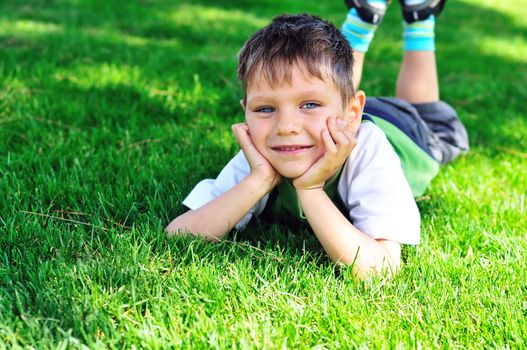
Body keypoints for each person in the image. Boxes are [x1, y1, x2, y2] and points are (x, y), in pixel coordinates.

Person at [166, 1, 468, 279]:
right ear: (246, 113)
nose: (285, 127)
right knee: (330, 88)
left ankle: (420, 16)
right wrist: (257, 181)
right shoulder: (261, 152)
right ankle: (364, 17)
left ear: (353, 113)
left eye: (308, 105)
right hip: (336, 117)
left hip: (404, 129)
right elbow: (178, 235)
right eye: (265, 108)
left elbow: (382, 268)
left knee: (427, 114)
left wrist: (310, 190)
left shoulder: (370, 150)